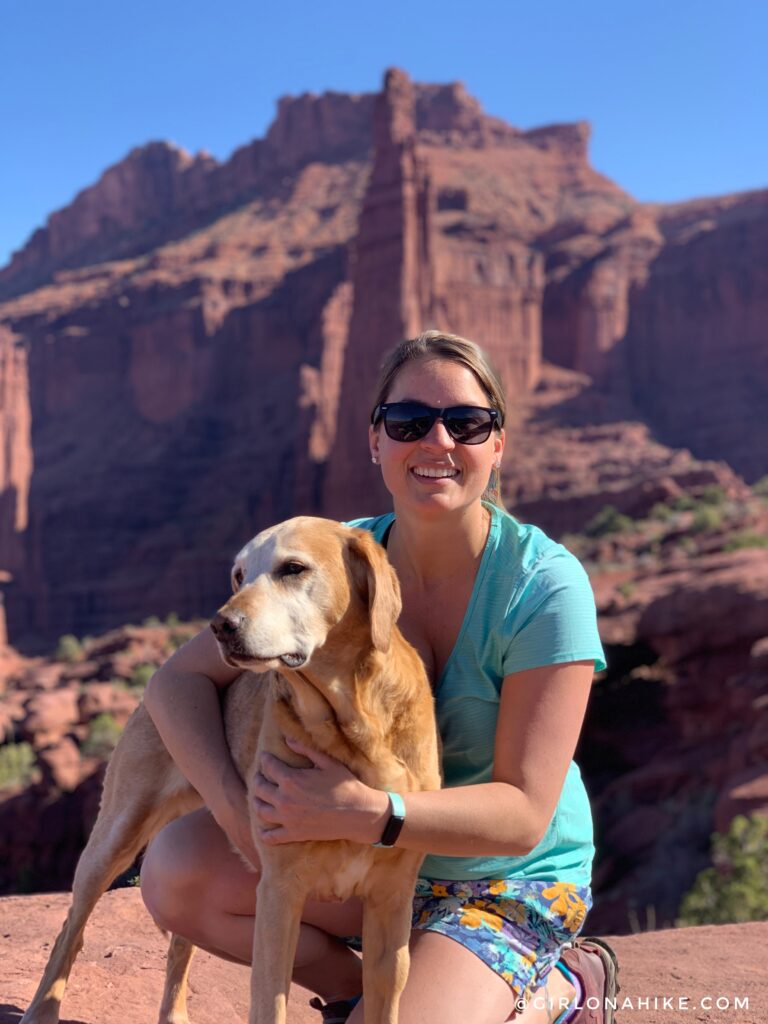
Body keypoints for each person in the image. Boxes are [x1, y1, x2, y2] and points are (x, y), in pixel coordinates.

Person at [140, 331, 619, 1024]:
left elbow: (522, 815)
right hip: (364, 867)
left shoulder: (543, 586)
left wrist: (367, 812)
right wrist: (231, 804)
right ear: (375, 441)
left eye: (467, 422)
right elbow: (175, 683)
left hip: (497, 879)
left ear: (498, 445)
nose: (438, 441)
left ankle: (565, 984)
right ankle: (356, 989)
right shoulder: (335, 559)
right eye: (409, 422)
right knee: (178, 873)